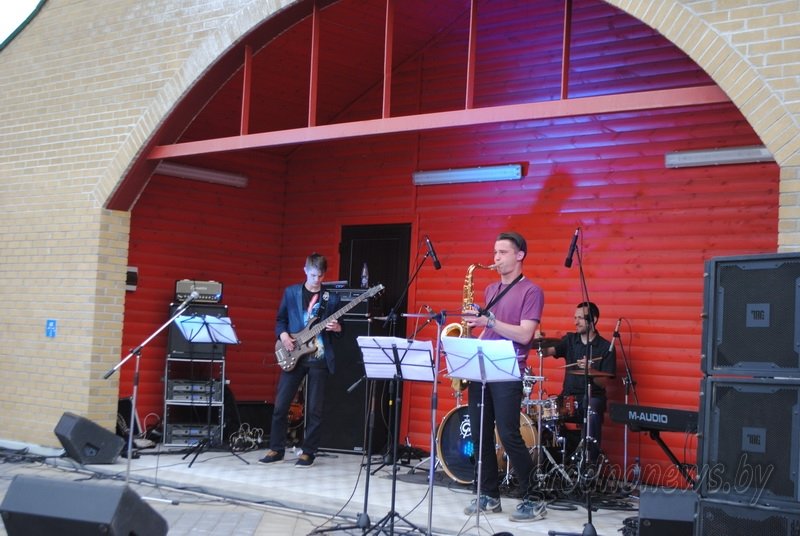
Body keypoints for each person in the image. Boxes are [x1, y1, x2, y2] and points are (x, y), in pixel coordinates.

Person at [462, 231, 546, 522]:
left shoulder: (531, 291)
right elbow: (490, 329)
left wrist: (489, 321)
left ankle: (534, 498)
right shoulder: (489, 290)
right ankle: (489, 495)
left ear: (519, 255)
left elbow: (524, 334)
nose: (495, 258)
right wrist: (474, 327)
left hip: (509, 369)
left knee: (509, 434)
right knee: (479, 433)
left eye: (502, 252)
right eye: (495, 252)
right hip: (482, 367)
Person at [259, 253, 342, 468]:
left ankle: (308, 452)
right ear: (305, 270)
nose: (317, 280)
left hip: (318, 357)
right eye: (313, 275)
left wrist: (337, 328)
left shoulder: (331, 298)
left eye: (320, 276)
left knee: (314, 409)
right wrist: (284, 336)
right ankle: (276, 449)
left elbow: (341, 330)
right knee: (281, 404)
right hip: (294, 353)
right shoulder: (291, 292)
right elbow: (281, 320)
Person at [539, 301, 616, 465]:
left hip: (592, 397)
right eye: (575, 318)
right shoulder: (570, 340)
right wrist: (538, 340)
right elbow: (546, 351)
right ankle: (549, 463)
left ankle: (589, 463)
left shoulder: (605, 347)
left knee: (592, 407)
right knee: (542, 411)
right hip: (568, 398)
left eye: (580, 318)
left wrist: (590, 369)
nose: (576, 322)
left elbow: (603, 383)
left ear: (593, 320)